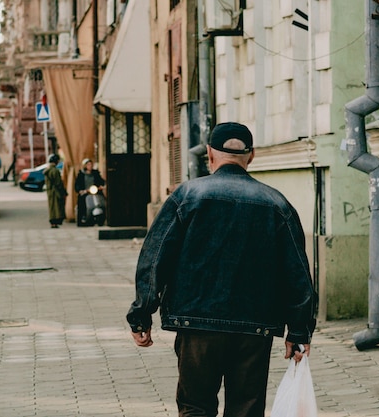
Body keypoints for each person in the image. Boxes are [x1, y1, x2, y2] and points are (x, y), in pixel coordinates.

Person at [126, 122, 317, 417]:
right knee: (246, 409)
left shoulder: (186, 196)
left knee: (195, 407)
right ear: (250, 156)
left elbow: (154, 259)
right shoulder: (277, 204)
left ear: (210, 155)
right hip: (255, 327)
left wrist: (141, 315)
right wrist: (299, 329)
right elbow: (298, 274)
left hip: (196, 325)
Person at [74, 158, 105, 226]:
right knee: (82, 203)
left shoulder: (95, 173)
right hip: (85, 192)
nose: (90, 166)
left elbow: (101, 181)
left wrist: (101, 186)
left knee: (102, 200)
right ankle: (82, 218)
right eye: (88, 164)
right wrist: (80, 190)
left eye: (91, 164)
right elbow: (77, 184)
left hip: (95, 191)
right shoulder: (81, 174)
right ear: (85, 166)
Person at [44, 154, 67, 228]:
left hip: (50, 191)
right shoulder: (55, 171)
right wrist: (63, 191)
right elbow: (58, 183)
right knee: (57, 207)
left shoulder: (48, 170)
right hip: (56, 191)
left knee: (52, 207)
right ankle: (55, 221)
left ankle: (52, 222)